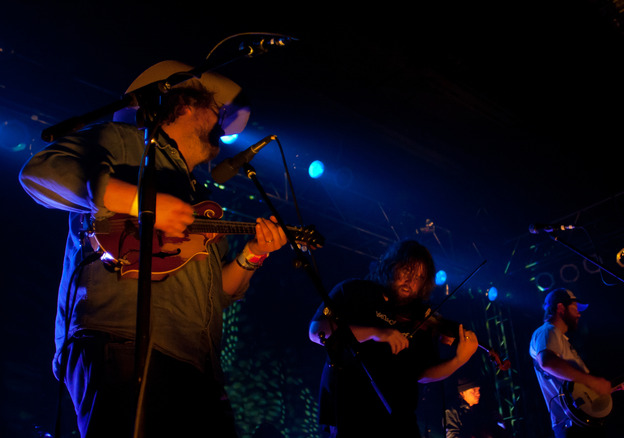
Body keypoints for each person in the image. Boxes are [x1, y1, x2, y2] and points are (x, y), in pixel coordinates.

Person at [19, 60, 288, 437]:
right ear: (186, 105)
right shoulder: (126, 141)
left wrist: (254, 254)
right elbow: (40, 174)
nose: (221, 123)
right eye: (216, 110)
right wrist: (141, 202)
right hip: (123, 341)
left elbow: (216, 294)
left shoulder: (201, 198)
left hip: (198, 367)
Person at [308, 239, 479, 438]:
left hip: (399, 420)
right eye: (406, 270)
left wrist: (458, 361)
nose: (410, 280)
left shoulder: (420, 318)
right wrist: (376, 332)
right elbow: (316, 331)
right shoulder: (353, 290)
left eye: (419, 277)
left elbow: (422, 374)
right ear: (390, 266)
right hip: (349, 412)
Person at [529, 288, 624, 437]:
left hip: (579, 422)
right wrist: (593, 381)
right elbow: (547, 362)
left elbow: (579, 391)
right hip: (571, 424)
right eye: (575, 308)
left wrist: (617, 385)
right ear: (560, 308)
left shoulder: (560, 340)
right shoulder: (547, 331)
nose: (579, 313)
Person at [444, 376, 509, 438]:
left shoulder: (481, 409)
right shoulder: (451, 411)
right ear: (462, 393)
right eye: (473, 390)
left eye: (478, 390)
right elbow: (452, 436)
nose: (478, 393)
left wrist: (500, 423)